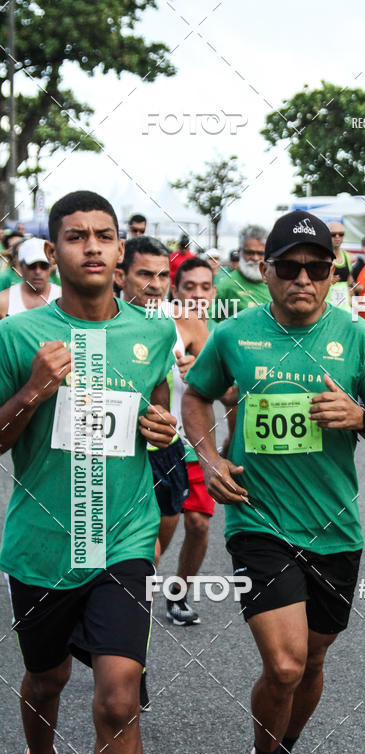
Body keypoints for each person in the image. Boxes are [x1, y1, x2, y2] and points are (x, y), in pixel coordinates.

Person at [182, 209, 365, 754]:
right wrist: (208, 457)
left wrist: (362, 418)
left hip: (336, 529)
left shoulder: (358, 339)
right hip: (258, 519)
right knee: (282, 665)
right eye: (289, 267)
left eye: (317, 269)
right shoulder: (236, 336)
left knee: (311, 662)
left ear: (331, 273)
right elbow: (196, 395)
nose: (304, 279)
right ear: (267, 270)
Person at [0, 190, 177, 754]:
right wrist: (34, 391)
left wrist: (163, 429)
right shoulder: (18, 338)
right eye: (77, 237)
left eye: (106, 235)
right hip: (44, 543)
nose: (94, 247)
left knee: (117, 697)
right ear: (53, 252)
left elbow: (156, 409)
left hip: (123, 538)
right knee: (47, 680)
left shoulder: (153, 334)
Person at [115, 236, 199, 627]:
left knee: (156, 549)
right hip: (114, 457)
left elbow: (167, 392)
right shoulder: (96, 323)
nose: (155, 284)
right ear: (120, 275)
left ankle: (128, 619)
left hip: (165, 454)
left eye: (163, 275)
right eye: (144, 274)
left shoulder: (169, 326)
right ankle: (118, 634)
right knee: (136, 551)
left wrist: (164, 420)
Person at [170, 257, 216, 611]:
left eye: (205, 287)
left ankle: (179, 593)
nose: (198, 294)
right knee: (153, 535)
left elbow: (232, 392)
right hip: (158, 446)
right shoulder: (159, 323)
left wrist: (201, 375)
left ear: (214, 293)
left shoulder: (219, 333)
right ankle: (132, 605)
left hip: (197, 445)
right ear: (176, 289)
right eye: (189, 287)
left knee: (199, 525)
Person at [213, 224, 270, 321]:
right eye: (250, 253)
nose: (255, 258)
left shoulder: (277, 284)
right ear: (240, 252)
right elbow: (213, 323)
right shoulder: (226, 286)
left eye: (260, 253)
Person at [0, 238, 61, 318]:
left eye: (43, 266)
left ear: (50, 267)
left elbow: (79, 329)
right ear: (21, 266)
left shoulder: (64, 298)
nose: (38, 271)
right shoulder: (3, 301)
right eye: (32, 266)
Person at [325, 222, 354, 311]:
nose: (337, 237)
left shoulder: (349, 257)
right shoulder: (322, 257)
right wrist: (327, 281)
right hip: (328, 308)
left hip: (345, 309)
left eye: (341, 234)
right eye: (333, 235)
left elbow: (349, 280)